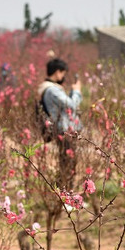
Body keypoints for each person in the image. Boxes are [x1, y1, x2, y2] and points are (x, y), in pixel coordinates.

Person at [37, 58, 82, 188]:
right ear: (57, 72)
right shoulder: (52, 90)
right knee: (68, 162)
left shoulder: (50, 88)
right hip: (64, 130)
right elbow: (71, 105)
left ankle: (63, 191)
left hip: (64, 129)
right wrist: (77, 91)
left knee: (67, 161)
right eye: (63, 73)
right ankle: (64, 192)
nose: (63, 77)